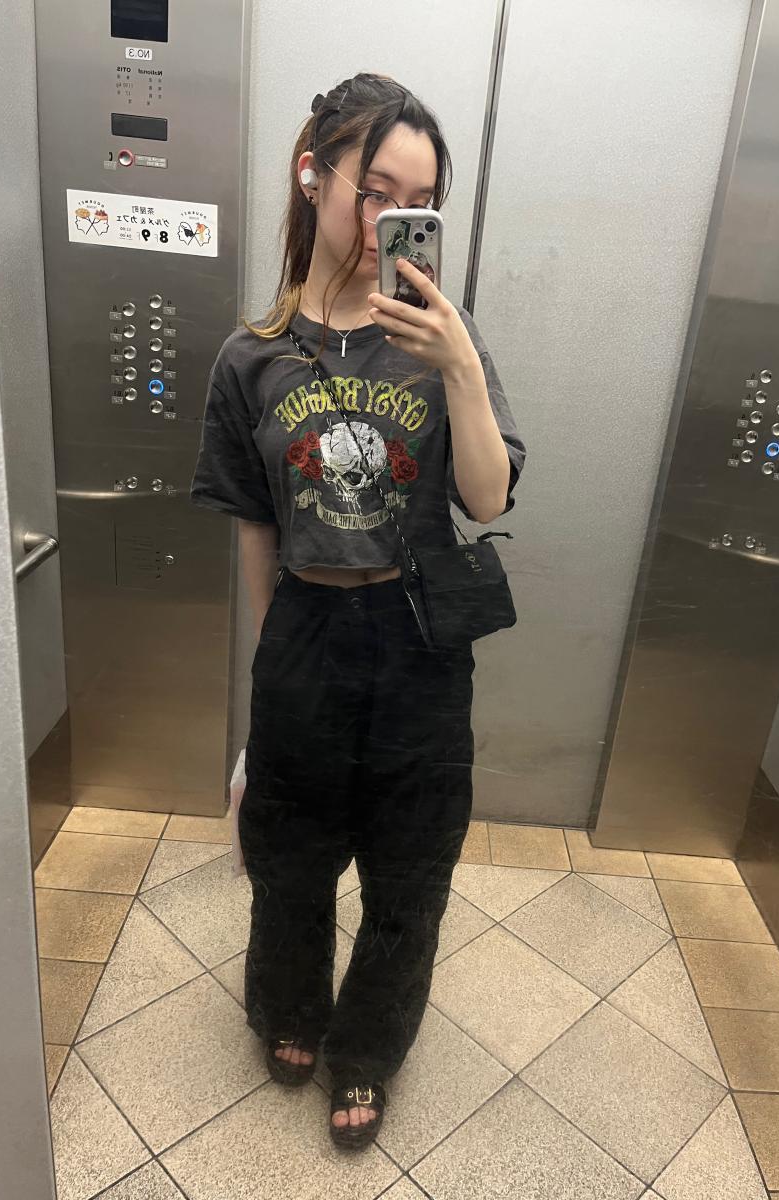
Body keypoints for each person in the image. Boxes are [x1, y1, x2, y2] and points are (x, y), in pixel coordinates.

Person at [189, 71, 525, 1150]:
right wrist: (266, 681)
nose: (392, 221)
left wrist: (460, 366)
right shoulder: (250, 357)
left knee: (410, 870)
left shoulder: (443, 343)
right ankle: (290, 1008)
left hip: (417, 637)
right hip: (305, 628)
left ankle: (368, 1046)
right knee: (289, 857)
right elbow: (255, 528)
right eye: (376, 191)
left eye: (419, 203)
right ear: (314, 175)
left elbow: (487, 499)